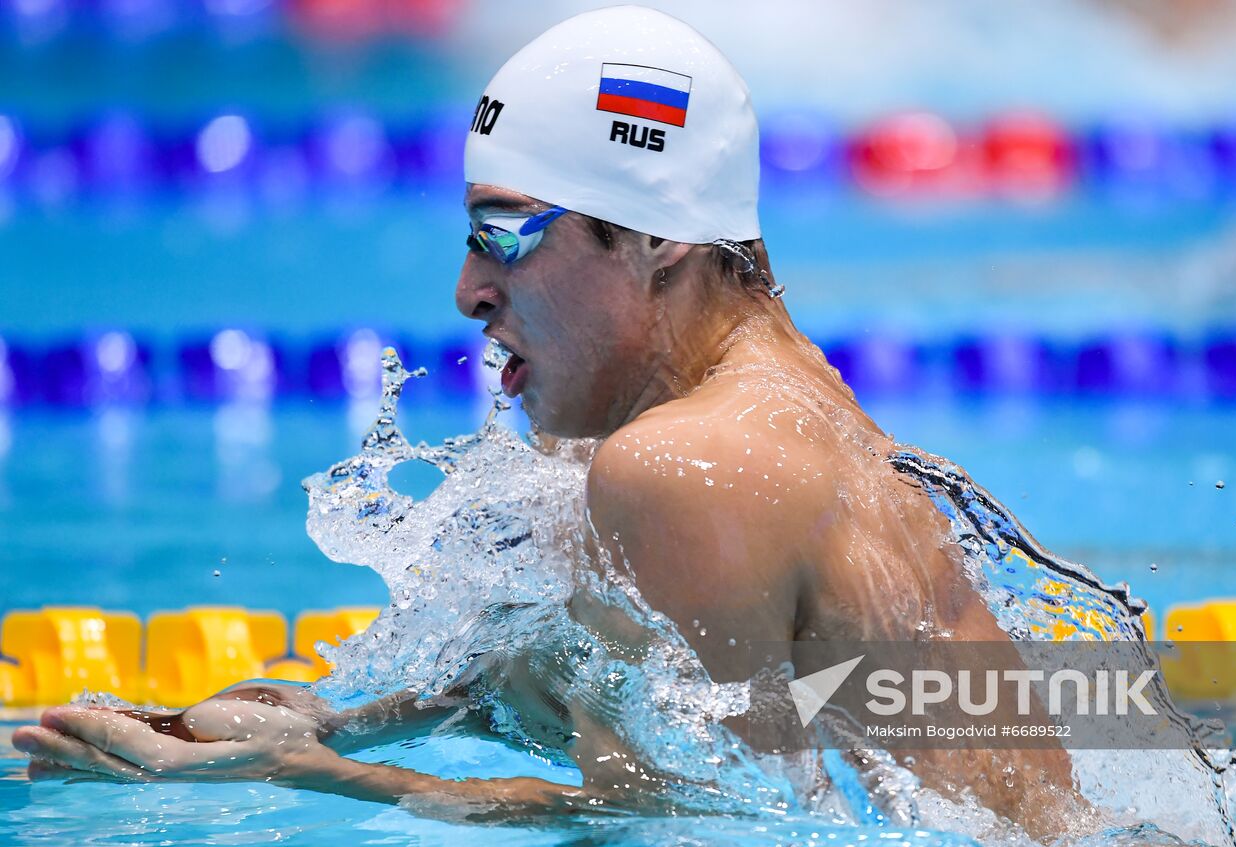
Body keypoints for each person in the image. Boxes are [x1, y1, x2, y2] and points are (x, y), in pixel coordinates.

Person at [12, 6, 1089, 839]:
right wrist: (336, 718)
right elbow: (645, 719)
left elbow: (712, 828)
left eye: (506, 235)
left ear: (656, 236)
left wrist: (308, 777)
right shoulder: (770, 411)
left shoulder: (682, 463)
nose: (468, 291)